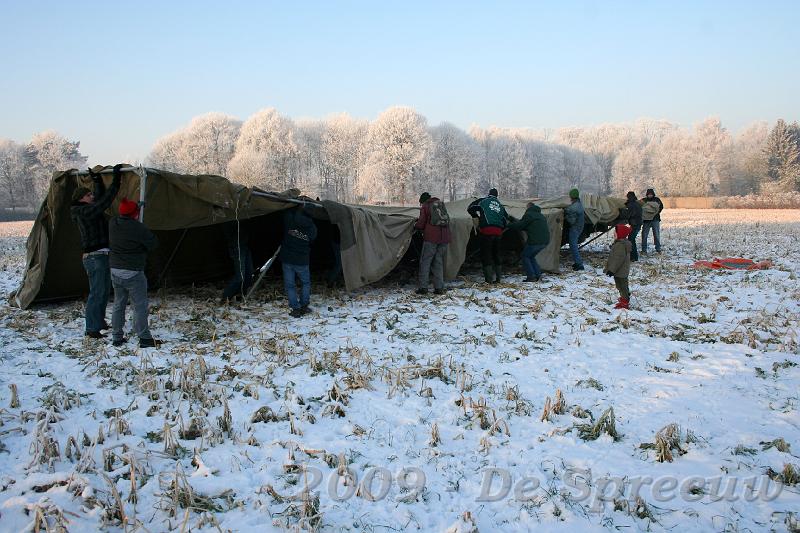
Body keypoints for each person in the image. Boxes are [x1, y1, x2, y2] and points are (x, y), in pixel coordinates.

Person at [70, 164, 122, 338]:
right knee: (97, 292)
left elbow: (99, 199)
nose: (92, 196)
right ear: (81, 199)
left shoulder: (85, 208)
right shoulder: (82, 211)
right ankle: (91, 328)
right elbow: (103, 202)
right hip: (95, 257)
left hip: (101, 255)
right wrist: (116, 181)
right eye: (88, 194)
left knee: (103, 291)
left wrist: (97, 181)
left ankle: (99, 322)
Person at [109, 198, 159, 348]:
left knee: (119, 304)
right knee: (140, 306)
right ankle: (144, 338)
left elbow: (127, 213)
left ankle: (117, 337)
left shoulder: (113, 223)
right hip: (133, 273)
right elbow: (153, 244)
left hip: (115, 271)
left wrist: (136, 206)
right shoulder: (138, 228)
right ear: (135, 214)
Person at [281, 205, 318, 317]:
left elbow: (286, 210)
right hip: (302, 260)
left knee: (290, 285)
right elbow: (312, 240)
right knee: (305, 283)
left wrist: (295, 206)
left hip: (287, 258)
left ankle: (295, 308)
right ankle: (304, 305)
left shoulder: (290, 219)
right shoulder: (312, 228)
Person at [467, 188, 510, 283]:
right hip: (498, 233)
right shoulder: (500, 205)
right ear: (497, 195)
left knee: (486, 254)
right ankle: (498, 278)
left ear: (489, 194)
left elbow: (470, 208)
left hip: (486, 231)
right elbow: (505, 218)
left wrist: (476, 217)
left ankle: (488, 280)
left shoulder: (483, 201)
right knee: (496, 254)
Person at [414, 192, 451, 294]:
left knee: (425, 261)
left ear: (423, 201)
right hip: (444, 238)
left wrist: (415, 226)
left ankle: (423, 287)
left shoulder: (426, 206)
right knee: (438, 262)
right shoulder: (440, 204)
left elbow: (421, 223)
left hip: (431, 238)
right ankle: (439, 288)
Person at [507, 202, 550, 282]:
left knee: (525, 256)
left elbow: (520, 226)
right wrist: (514, 221)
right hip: (545, 241)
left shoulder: (529, 214)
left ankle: (531, 276)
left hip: (535, 241)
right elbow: (527, 226)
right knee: (531, 256)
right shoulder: (540, 215)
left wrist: (508, 225)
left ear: (529, 207)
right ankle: (538, 275)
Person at [221, 220, 254, 302]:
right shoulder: (230, 217)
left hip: (244, 245)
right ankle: (226, 297)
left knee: (248, 274)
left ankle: (240, 294)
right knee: (240, 276)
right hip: (237, 247)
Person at [604, 224, 633, 310]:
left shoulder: (620, 245)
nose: (614, 235)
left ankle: (625, 301)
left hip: (619, 270)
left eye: (615, 233)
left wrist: (611, 270)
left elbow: (617, 259)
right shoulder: (620, 243)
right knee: (622, 285)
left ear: (620, 234)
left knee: (621, 285)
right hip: (621, 270)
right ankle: (625, 296)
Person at [564, 188, 585, 270]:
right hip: (579, 227)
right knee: (573, 246)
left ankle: (579, 264)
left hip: (575, 228)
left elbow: (572, 221)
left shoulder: (574, 207)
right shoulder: (579, 204)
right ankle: (577, 263)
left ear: (572, 197)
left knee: (573, 246)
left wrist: (566, 215)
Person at [641, 188, 664, 254]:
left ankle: (658, 249)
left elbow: (661, 207)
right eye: (648, 194)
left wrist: (655, 213)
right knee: (644, 235)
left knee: (656, 235)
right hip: (646, 221)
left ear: (653, 194)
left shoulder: (657, 200)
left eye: (651, 194)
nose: (650, 195)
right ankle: (644, 250)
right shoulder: (644, 200)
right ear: (647, 194)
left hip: (655, 220)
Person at [625, 191, 642, 262]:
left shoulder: (631, 204)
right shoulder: (636, 203)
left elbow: (630, 214)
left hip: (635, 224)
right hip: (637, 224)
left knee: (631, 239)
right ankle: (633, 257)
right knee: (632, 239)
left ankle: (633, 257)